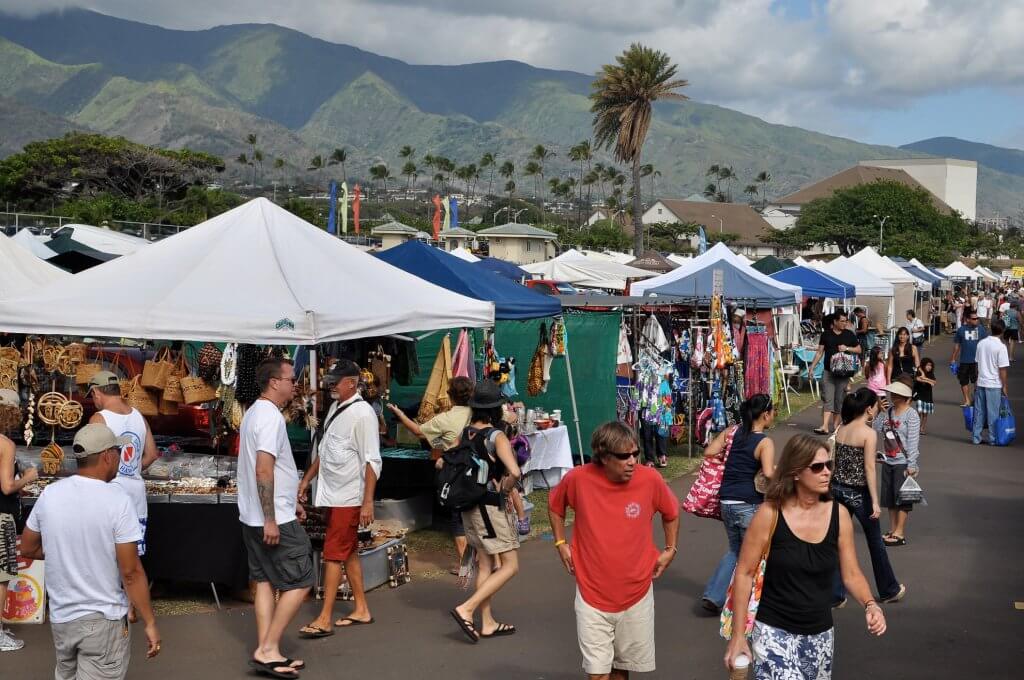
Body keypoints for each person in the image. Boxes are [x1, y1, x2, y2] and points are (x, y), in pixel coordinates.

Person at [724, 434, 886, 679]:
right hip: (772, 630)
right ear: (796, 472)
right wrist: (738, 636)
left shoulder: (839, 515)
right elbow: (745, 573)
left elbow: (851, 573)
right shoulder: (770, 514)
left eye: (829, 465)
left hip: (820, 633)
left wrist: (870, 604)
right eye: (817, 467)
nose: (826, 472)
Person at [21, 423, 161, 678]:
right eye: (117, 451)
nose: (120, 457)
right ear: (107, 456)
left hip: (62, 618)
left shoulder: (50, 494)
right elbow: (130, 572)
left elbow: (28, 548)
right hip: (102, 619)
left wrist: (61, 551)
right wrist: (150, 622)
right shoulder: (118, 501)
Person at [549, 422, 679, 680]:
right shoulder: (577, 479)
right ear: (603, 456)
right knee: (597, 673)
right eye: (624, 456)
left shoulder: (650, 479)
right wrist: (560, 544)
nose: (632, 461)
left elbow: (671, 513)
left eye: (636, 454)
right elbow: (555, 507)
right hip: (591, 593)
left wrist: (670, 548)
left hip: (637, 592)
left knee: (621, 668)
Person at [237, 357, 311, 678]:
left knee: (265, 580)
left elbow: (270, 469)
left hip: (255, 514)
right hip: (270, 518)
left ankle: (267, 648)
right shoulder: (269, 417)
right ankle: (268, 647)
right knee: (302, 579)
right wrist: (272, 516)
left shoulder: (254, 412)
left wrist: (286, 501)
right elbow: (263, 469)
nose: (294, 385)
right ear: (274, 382)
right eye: (291, 379)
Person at [297, 360, 382, 638]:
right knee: (348, 552)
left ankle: (324, 618)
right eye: (331, 380)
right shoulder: (336, 408)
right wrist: (307, 478)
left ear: (352, 383)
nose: (331, 385)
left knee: (333, 555)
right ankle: (361, 608)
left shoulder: (363, 414)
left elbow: (372, 460)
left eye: (336, 380)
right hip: (333, 494)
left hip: (349, 497)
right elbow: (326, 452)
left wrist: (367, 501)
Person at [449, 380, 522, 643]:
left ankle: (488, 622)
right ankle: (467, 608)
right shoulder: (496, 436)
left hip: (469, 506)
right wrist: (505, 488)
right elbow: (514, 471)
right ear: (496, 408)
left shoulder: (466, 432)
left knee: (486, 564)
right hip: (490, 508)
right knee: (511, 565)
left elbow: (447, 460)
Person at [388, 376, 474, 569]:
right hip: (477, 470)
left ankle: (465, 563)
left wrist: (400, 414)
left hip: (456, 472)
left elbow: (418, 432)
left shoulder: (446, 418)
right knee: (474, 513)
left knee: (457, 516)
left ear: (451, 396)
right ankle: (481, 558)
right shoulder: (476, 412)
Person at [831, 389, 906, 608]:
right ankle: (888, 588)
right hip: (859, 492)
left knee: (836, 541)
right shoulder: (868, 434)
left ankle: (836, 594)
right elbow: (869, 468)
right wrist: (874, 500)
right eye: (875, 405)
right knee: (875, 542)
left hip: (837, 489)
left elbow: (839, 460)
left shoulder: (842, 428)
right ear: (868, 408)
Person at [701, 395, 776, 613]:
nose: (773, 416)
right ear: (765, 414)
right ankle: (749, 601)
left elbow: (709, 452)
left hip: (726, 500)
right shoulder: (764, 442)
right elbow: (769, 473)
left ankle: (715, 595)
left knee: (736, 550)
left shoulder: (732, 432)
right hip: (748, 502)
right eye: (772, 412)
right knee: (753, 553)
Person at [87, 371, 159, 579]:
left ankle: (110, 602)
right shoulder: (138, 415)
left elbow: (92, 461)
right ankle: (130, 608)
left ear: (97, 393)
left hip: (109, 494)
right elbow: (152, 454)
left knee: (106, 555)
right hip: (136, 495)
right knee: (132, 558)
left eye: (92, 396)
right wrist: (132, 469)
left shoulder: (99, 418)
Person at [0, 390, 36, 653]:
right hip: (1, 515)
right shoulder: (5, 444)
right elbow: (7, 486)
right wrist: (28, 477)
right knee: (1, 577)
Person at [875, 382, 920, 547]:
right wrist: (880, 411)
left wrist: (912, 464)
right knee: (889, 498)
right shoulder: (888, 411)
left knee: (902, 498)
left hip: (903, 461)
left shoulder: (911, 414)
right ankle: (893, 530)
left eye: (896, 395)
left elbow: (914, 440)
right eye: (892, 394)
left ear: (905, 397)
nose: (892, 397)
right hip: (888, 459)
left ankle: (900, 533)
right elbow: (877, 427)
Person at [809, 311, 861, 435]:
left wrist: (847, 348)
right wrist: (812, 367)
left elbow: (859, 349)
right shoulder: (826, 335)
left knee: (838, 400)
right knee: (828, 398)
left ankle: (836, 426)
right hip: (828, 372)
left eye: (846, 321)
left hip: (843, 373)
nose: (845, 323)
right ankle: (825, 426)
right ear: (835, 321)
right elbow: (820, 352)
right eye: (842, 321)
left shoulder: (849, 335)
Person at [972, 319, 1010, 446]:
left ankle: (976, 437)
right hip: (994, 383)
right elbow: (1002, 369)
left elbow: (977, 363)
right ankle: (993, 438)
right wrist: (1004, 386)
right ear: (1003, 331)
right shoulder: (1001, 347)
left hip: (981, 381)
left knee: (979, 411)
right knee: (993, 412)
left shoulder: (981, 343)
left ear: (991, 329)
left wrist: (977, 379)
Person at [951, 310, 988, 407]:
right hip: (964, 360)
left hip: (977, 361)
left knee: (977, 381)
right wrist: (953, 359)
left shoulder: (981, 329)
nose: (976, 320)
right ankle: (967, 400)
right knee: (963, 381)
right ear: (968, 320)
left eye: (977, 318)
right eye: (974, 319)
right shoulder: (961, 330)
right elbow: (957, 345)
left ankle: (977, 399)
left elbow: (986, 345)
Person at [914, 359, 937, 435]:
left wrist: (925, 378)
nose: (929, 367)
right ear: (924, 365)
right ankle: (916, 427)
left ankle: (922, 428)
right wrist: (928, 381)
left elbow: (934, 382)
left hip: (928, 396)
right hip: (920, 396)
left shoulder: (931, 374)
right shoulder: (919, 372)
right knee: (919, 412)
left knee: (925, 414)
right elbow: (918, 379)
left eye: (930, 365)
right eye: (927, 365)